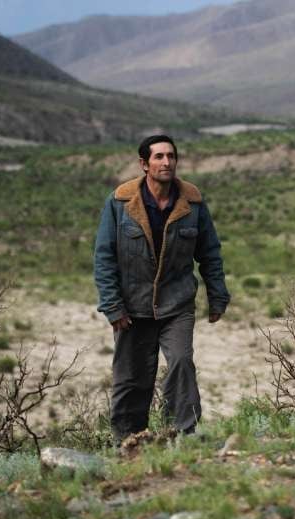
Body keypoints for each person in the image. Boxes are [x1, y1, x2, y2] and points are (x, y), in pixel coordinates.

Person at [94, 134, 230, 442]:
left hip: (177, 303)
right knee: (132, 376)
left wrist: (217, 296)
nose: (166, 162)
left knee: (181, 362)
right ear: (144, 164)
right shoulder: (119, 202)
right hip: (132, 306)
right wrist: (113, 305)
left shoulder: (192, 203)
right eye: (159, 157)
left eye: (171, 156)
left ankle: (182, 435)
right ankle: (128, 441)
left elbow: (210, 253)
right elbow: (104, 257)